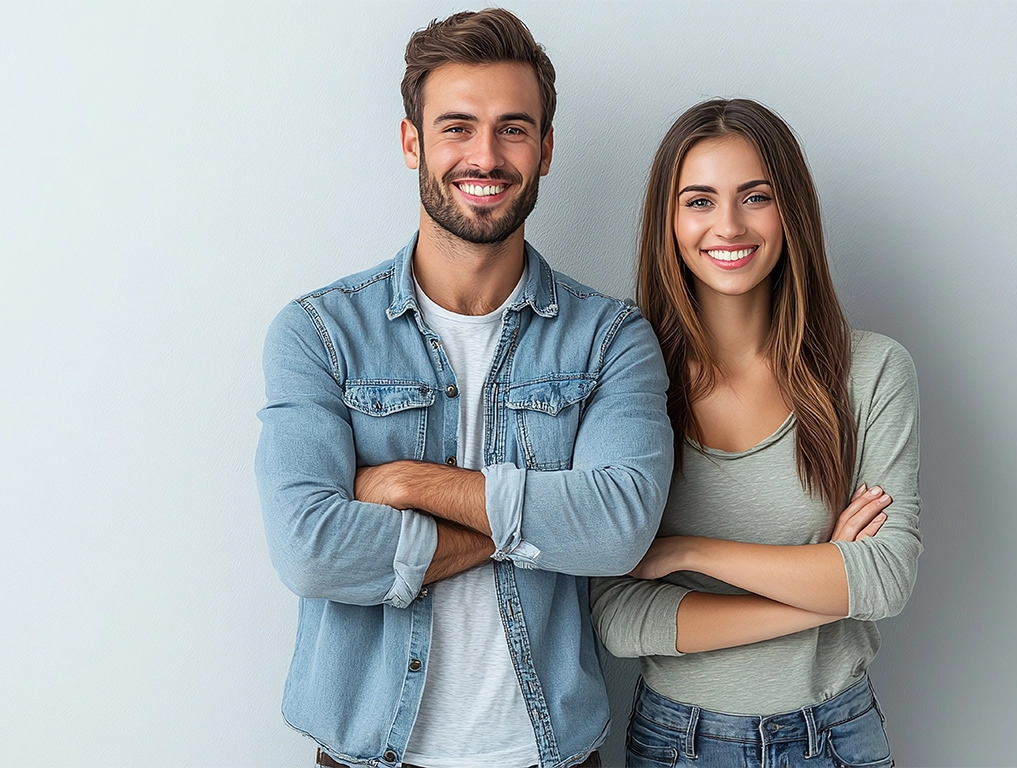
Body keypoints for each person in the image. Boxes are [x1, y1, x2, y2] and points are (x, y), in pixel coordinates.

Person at [255, 9, 674, 768]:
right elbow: (311, 551)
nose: (486, 155)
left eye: (514, 128)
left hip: (552, 753)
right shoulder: (319, 334)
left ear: (546, 151)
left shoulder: (611, 338)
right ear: (412, 140)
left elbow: (618, 528)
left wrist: (410, 483)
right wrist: (536, 529)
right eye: (457, 127)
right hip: (364, 755)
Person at [590, 99, 922, 767]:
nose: (729, 225)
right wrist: (824, 594)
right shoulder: (620, 373)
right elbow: (621, 618)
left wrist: (688, 551)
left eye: (755, 197)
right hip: (677, 742)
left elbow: (885, 579)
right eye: (700, 201)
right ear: (669, 220)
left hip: (839, 733)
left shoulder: (876, 371)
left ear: (790, 210)